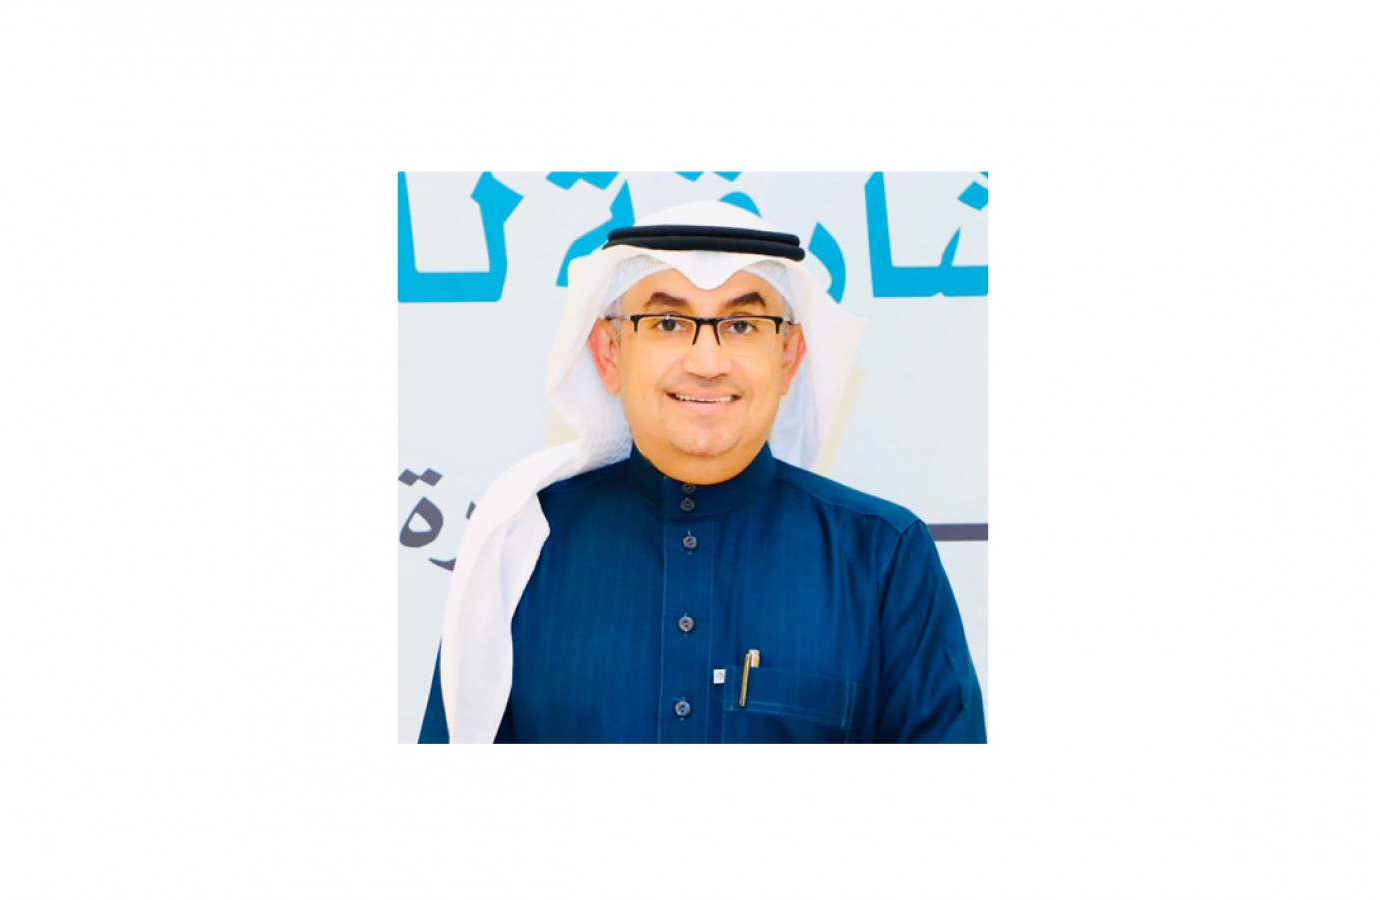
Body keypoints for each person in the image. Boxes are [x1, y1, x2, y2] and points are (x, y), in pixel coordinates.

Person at [420, 200, 985, 743]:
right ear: (609, 353)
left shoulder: (883, 558)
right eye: (668, 322)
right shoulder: (521, 545)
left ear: (789, 356)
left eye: (742, 325)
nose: (708, 363)